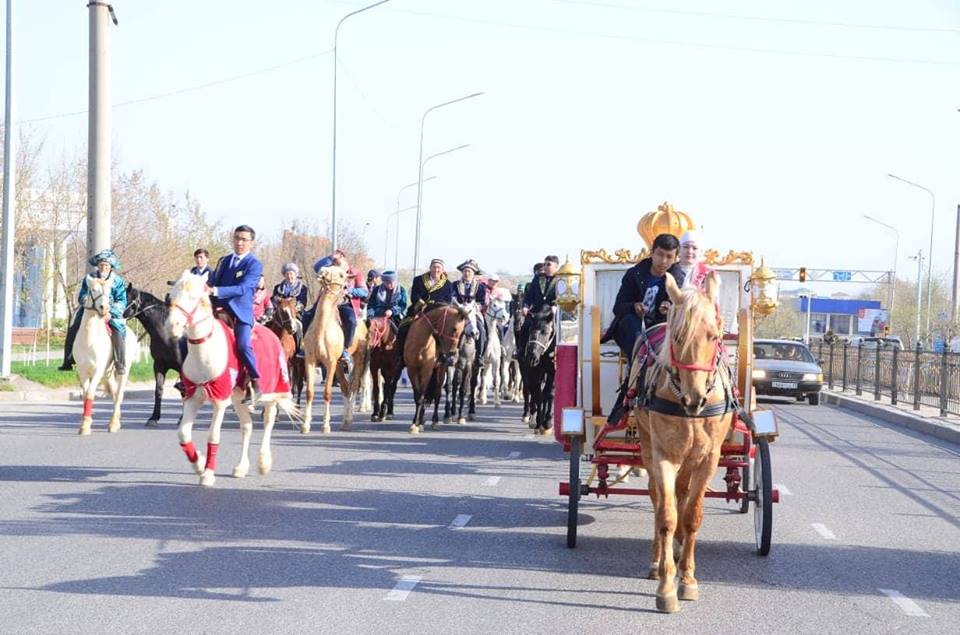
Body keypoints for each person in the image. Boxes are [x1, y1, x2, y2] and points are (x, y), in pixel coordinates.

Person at [205, 225, 264, 404]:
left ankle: (255, 381)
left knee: (243, 345)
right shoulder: (225, 261)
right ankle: (186, 380)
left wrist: (215, 290)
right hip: (218, 309)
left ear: (251, 243)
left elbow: (243, 288)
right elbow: (212, 281)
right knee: (191, 335)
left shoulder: (254, 264)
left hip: (240, 312)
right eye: (237, 238)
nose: (239, 242)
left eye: (244, 239)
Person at [601, 233, 685, 359]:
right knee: (631, 325)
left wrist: (669, 306)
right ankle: (636, 370)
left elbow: (681, 308)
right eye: (660, 254)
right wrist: (634, 307)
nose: (663, 261)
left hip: (661, 328)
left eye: (669, 257)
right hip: (633, 327)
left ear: (675, 259)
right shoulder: (634, 274)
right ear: (652, 253)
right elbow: (618, 307)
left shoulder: (678, 278)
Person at [58, 249, 128, 374]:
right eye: (101, 265)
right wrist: (88, 303)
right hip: (90, 310)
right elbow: (82, 296)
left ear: (111, 266)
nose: (103, 267)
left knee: (118, 331)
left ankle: (120, 363)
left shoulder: (117, 281)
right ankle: (68, 360)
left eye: (106, 265)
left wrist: (111, 313)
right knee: (73, 327)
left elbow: (122, 300)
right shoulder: (89, 278)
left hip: (109, 312)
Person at [307, 249, 367, 374]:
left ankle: (345, 349)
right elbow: (317, 267)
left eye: (337, 259)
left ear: (344, 259)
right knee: (307, 316)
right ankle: (305, 346)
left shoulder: (355, 273)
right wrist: (329, 257)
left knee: (351, 321)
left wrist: (349, 292)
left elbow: (364, 291)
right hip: (326, 302)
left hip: (344, 303)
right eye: (333, 261)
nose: (335, 262)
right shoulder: (329, 270)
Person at [454, 259, 488, 357]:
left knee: (481, 329)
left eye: (469, 271)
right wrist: (459, 306)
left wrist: (474, 307)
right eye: (465, 271)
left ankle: (479, 355)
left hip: (473, 312)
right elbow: (452, 297)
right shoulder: (455, 285)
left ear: (474, 273)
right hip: (458, 311)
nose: (467, 273)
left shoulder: (480, 286)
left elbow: (482, 301)